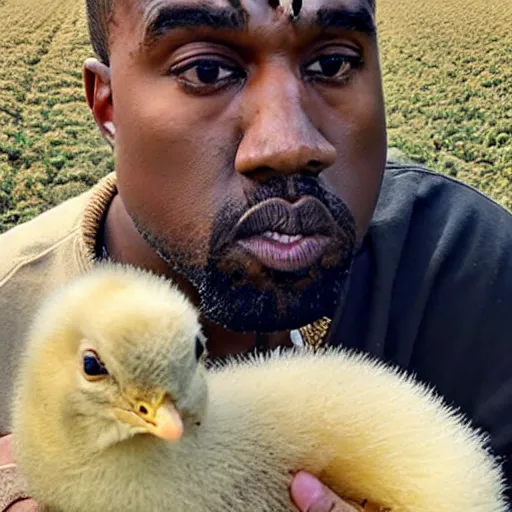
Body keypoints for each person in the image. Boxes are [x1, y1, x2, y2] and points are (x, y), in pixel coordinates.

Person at [0, 0, 511, 510]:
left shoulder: (474, 271)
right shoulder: (10, 312)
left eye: (332, 64)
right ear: (108, 107)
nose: (287, 144)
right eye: (206, 70)